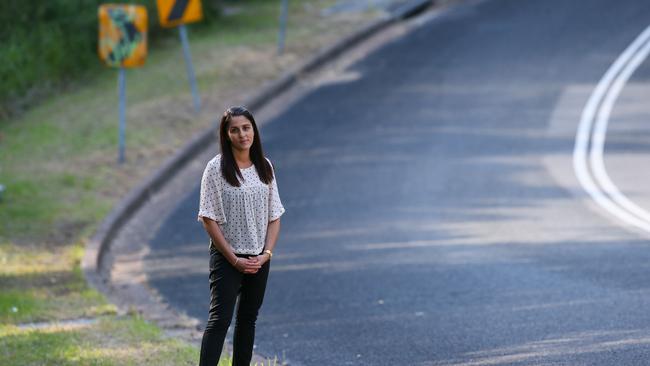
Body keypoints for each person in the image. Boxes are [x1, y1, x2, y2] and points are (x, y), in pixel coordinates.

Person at [197, 106, 285, 365]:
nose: (242, 134)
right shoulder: (216, 169)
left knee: (247, 319)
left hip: (258, 258)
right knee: (220, 319)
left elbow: (275, 216)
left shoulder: (264, 167)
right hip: (227, 256)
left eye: (246, 128)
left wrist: (266, 255)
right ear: (226, 135)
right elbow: (208, 218)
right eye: (234, 130)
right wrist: (234, 259)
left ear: (254, 131)